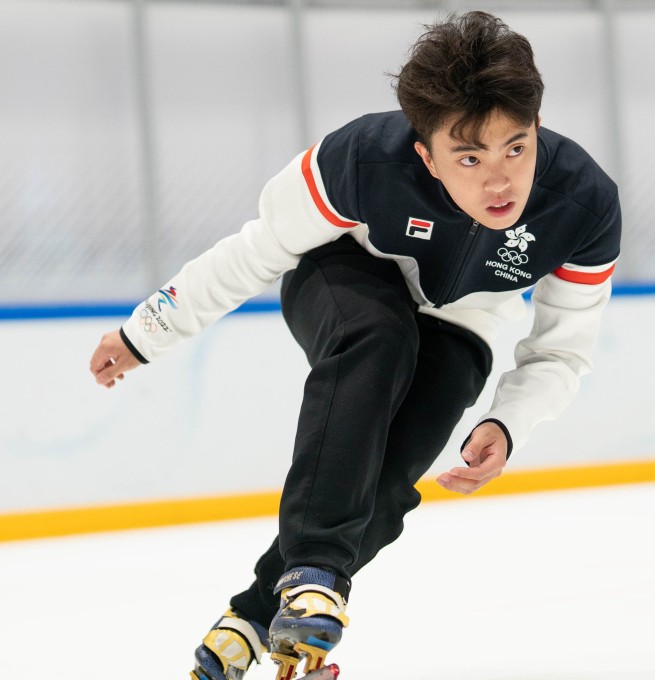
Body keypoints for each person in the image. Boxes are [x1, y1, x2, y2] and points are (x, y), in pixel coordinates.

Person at [89, 10, 620, 680]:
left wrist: (507, 422)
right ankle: (315, 574)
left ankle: (256, 617)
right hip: (345, 276)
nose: (500, 181)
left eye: (516, 148)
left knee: (393, 479)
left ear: (537, 129)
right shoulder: (360, 162)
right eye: (469, 156)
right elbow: (254, 254)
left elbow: (561, 351)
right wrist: (147, 332)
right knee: (377, 339)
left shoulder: (583, 203)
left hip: (464, 319)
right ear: (424, 153)